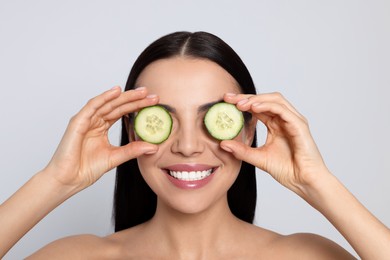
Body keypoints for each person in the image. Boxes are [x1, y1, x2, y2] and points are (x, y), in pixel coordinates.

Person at [0, 31, 389, 259]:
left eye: (213, 120)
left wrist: (317, 182)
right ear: (134, 133)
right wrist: (55, 180)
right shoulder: (77, 257)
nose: (188, 146)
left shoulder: (302, 255)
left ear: (249, 131)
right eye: (163, 122)